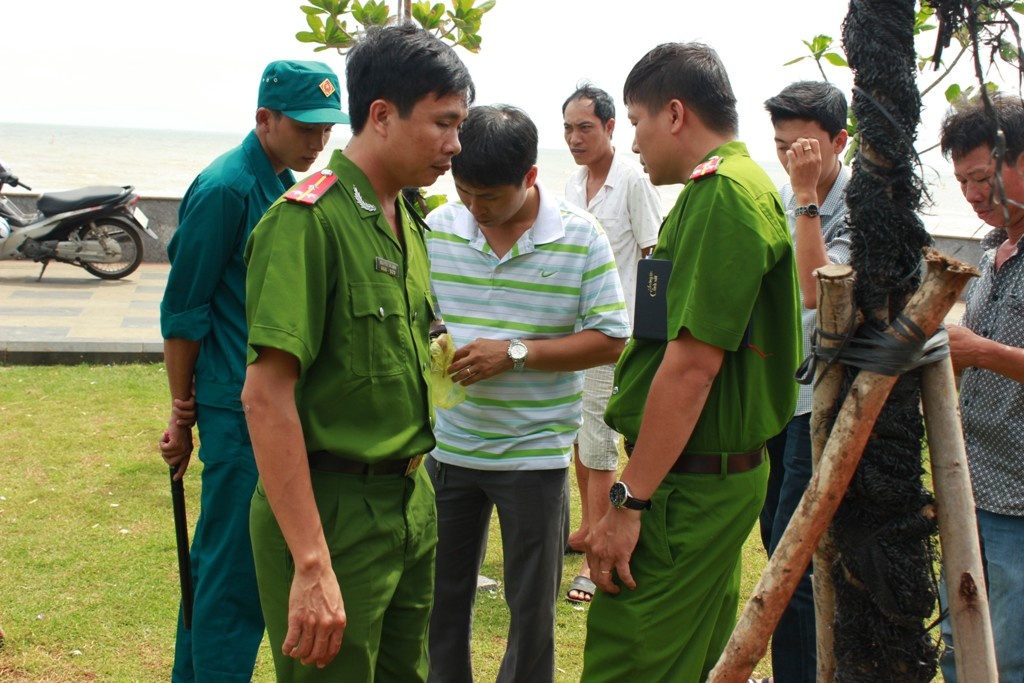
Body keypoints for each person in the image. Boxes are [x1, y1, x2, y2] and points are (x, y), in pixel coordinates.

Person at [239, 25, 474, 682]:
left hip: (409, 496)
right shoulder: (307, 222)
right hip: (334, 508)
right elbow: (265, 395)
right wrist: (311, 561)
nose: (456, 145)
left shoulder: (406, 220)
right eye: (443, 124)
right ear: (380, 116)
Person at [581, 42, 802, 682]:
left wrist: (629, 502)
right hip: (714, 473)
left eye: (638, 120)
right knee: (686, 658)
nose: (636, 142)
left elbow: (692, 365)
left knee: (631, 656)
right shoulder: (747, 181)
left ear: (674, 114)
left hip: (688, 483)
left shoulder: (720, 195)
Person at [425, 104, 630, 683]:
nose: (475, 208)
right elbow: (424, 315)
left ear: (531, 178)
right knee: (441, 601)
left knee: (531, 611)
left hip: (533, 454)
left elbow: (612, 339)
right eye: (464, 191)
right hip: (450, 449)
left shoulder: (579, 236)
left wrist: (514, 352)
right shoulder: (439, 227)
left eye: (488, 196)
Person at [158, 59, 348, 683]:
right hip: (235, 409)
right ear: (264, 119)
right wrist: (182, 410)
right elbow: (183, 313)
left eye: (327, 128)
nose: (318, 142)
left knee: (226, 567)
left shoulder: (281, 181)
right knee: (233, 576)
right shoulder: (226, 189)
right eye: (304, 128)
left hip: (258, 404)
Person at [757, 80, 853, 683]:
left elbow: (818, 290)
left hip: (820, 398)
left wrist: (804, 195)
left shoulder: (850, 202)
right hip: (777, 392)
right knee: (775, 544)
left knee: (795, 563)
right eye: (782, 146)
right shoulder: (789, 193)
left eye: (805, 147)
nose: (793, 159)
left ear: (840, 141)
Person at [561, 83, 662, 603]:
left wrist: (648, 333)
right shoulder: (574, 185)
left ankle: (596, 550)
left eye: (585, 127)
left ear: (609, 128)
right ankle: (587, 526)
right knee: (580, 436)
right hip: (576, 332)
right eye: (569, 129)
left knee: (598, 438)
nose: (575, 138)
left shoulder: (632, 182)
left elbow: (655, 259)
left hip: (614, 335)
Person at [938, 94, 1024, 683]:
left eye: (981, 177)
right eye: (962, 180)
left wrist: (979, 352)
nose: (972, 193)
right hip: (969, 486)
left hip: (1019, 499)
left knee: (1010, 653)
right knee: (959, 640)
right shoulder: (992, 252)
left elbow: (985, 353)